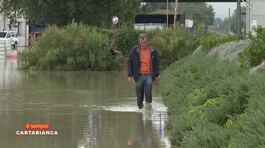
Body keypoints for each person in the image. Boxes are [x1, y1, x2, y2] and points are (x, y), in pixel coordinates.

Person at [127, 33, 160, 109]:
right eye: (142, 43)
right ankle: (140, 109)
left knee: (148, 92)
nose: (144, 44)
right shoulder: (134, 50)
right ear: (139, 42)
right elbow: (129, 62)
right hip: (138, 76)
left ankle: (148, 109)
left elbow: (157, 64)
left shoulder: (153, 51)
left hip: (149, 75)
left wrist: (157, 76)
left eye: (145, 42)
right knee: (139, 95)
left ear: (147, 41)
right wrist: (129, 75)